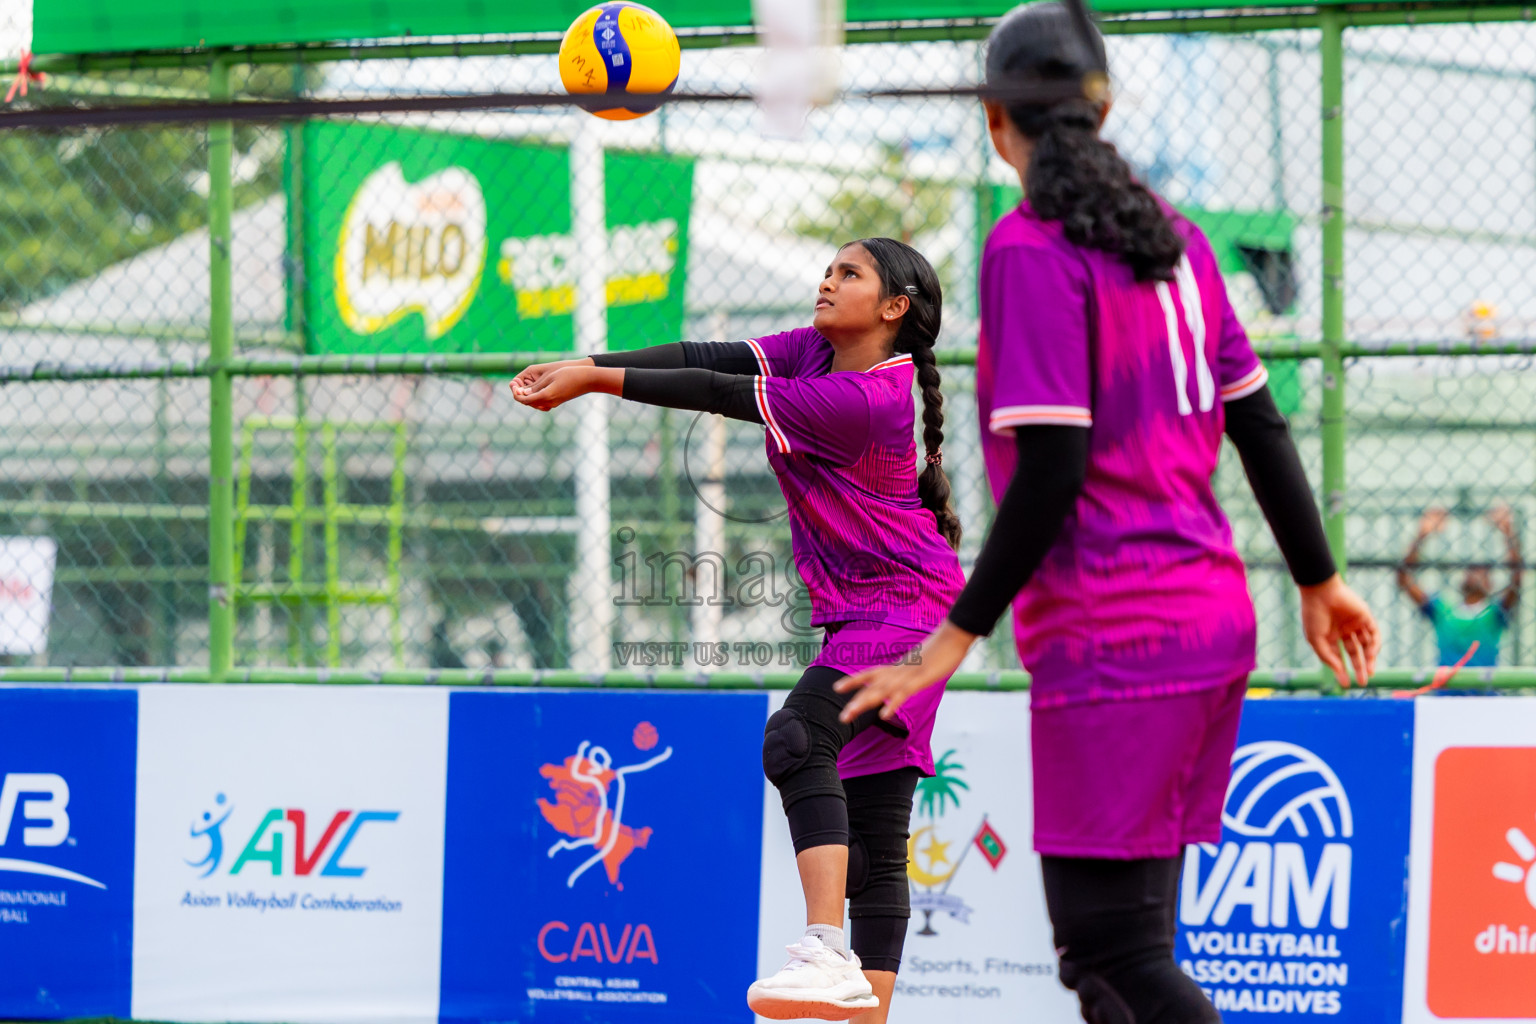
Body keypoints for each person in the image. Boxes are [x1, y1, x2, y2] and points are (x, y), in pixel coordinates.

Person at [835, 7, 1381, 1024]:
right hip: (1212, 623)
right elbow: (1258, 420)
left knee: (1110, 953)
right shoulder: (1177, 242)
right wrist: (1318, 577)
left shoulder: (1030, 248)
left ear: (997, 120)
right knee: (1127, 951)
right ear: (1107, 105)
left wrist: (949, 640)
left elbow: (1052, 470)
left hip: (1118, 636)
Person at [511, 237, 966, 1022]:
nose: (827, 280)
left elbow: (717, 389)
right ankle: (868, 1011)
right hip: (878, 607)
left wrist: (595, 380)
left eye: (848, 274)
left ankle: (827, 950)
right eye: (828, 267)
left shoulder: (865, 398)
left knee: (795, 738)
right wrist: (586, 361)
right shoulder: (815, 354)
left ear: (894, 308)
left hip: (906, 609)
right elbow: (707, 351)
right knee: (874, 831)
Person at [1398, 505, 1521, 667]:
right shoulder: (1443, 608)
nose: (1474, 572)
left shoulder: (1495, 612)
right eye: (1471, 569)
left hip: (1485, 691)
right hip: (1445, 690)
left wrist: (1507, 533)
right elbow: (1405, 580)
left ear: (1490, 584)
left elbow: (1517, 580)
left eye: (1482, 570)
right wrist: (1422, 535)